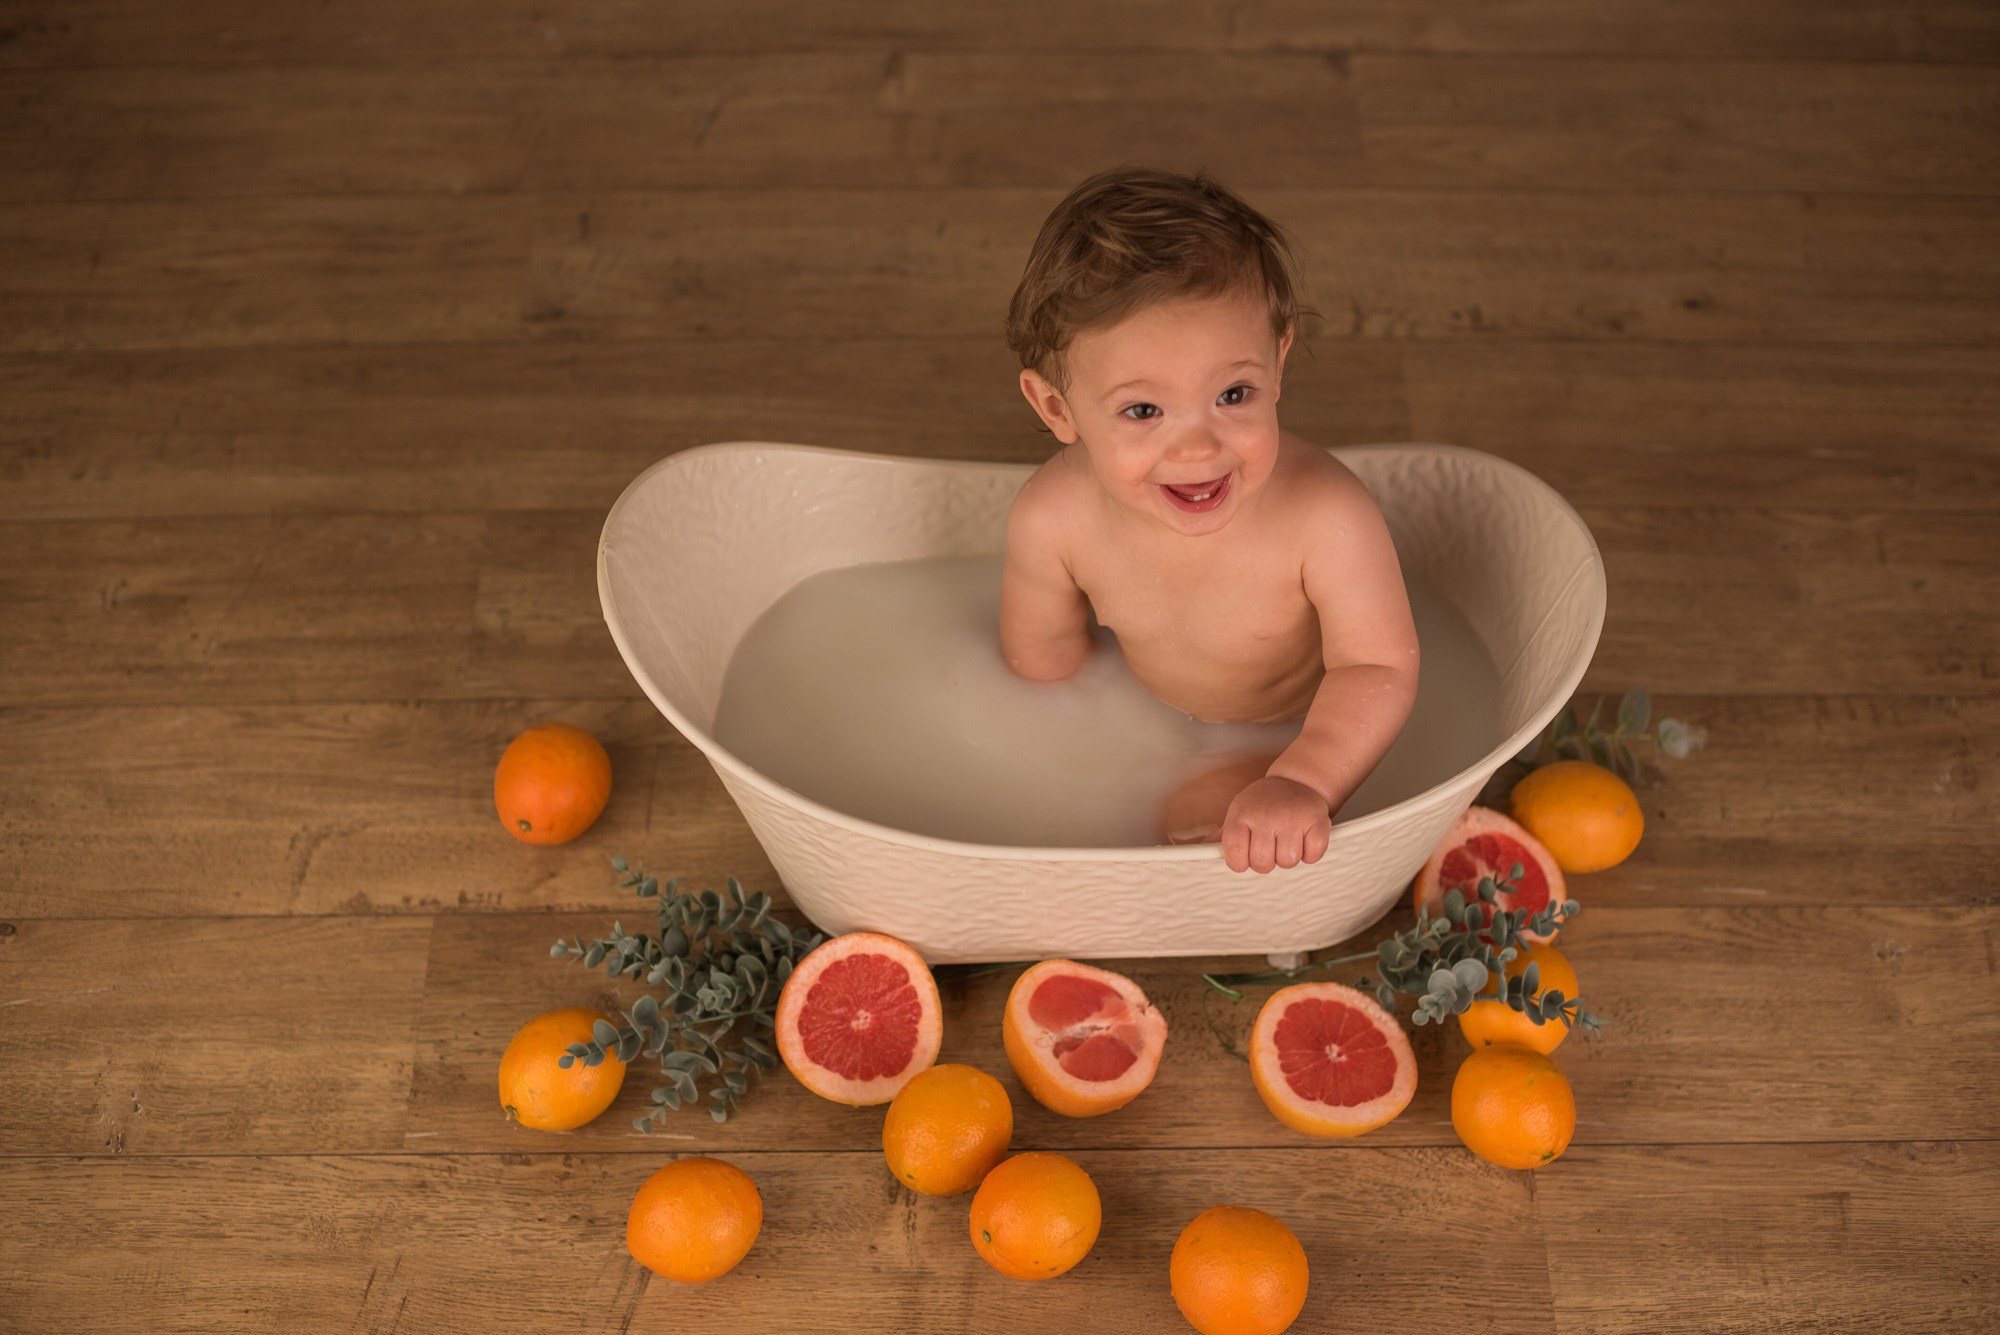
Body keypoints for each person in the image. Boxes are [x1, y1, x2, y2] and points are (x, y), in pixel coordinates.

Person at [999, 165, 1420, 874]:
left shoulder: (1325, 517)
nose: (1197, 447)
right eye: (1143, 410)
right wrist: (1053, 752)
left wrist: (1303, 779)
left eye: (1233, 392)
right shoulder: (1053, 519)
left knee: (1199, 833)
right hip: (1147, 719)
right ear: (1057, 410)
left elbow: (1377, 665)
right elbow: (1041, 663)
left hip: (1293, 737)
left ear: (1278, 363)